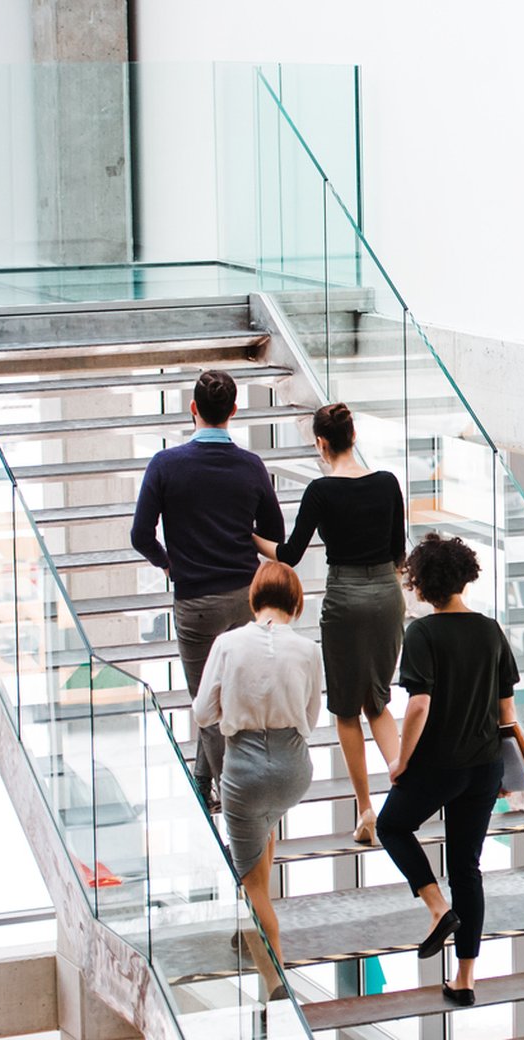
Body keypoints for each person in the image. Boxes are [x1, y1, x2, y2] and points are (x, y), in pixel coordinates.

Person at [130, 370, 285, 811]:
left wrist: (168, 562)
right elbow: (274, 533)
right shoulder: (251, 466)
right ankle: (203, 783)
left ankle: (231, 797)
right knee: (230, 694)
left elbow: (141, 535)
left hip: (195, 602)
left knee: (208, 704)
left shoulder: (165, 465)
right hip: (244, 598)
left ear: (193, 409)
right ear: (233, 412)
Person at [377, 532, 519, 1007]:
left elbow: (418, 706)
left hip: (439, 765)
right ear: (463, 576)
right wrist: (506, 776)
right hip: (484, 769)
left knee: (391, 826)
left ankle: (438, 910)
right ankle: (465, 980)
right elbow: (508, 715)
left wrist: (400, 761)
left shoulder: (422, 633)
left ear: (422, 584)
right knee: (467, 868)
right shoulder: (491, 630)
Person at [253, 402, 405, 846]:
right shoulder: (387, 483)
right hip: (387, 596)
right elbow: (398, 551)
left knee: (346, 709)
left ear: (322, 443)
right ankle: (402, 787)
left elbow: (290, 554)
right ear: (353, 436)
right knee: (378, 701)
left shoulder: (320, 492)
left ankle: (364, 810)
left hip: (344, 599)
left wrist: (248, 535)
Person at [193, 562, 322, 995]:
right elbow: (310, 718)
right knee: (264, 831)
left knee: (253, 887)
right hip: (292, 769)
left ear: (254, 599)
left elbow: (202, 714)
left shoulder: (228, 644)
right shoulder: (307, 650)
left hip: (244, 769)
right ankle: (252, 938)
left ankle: (276, 982)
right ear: (296, 602)